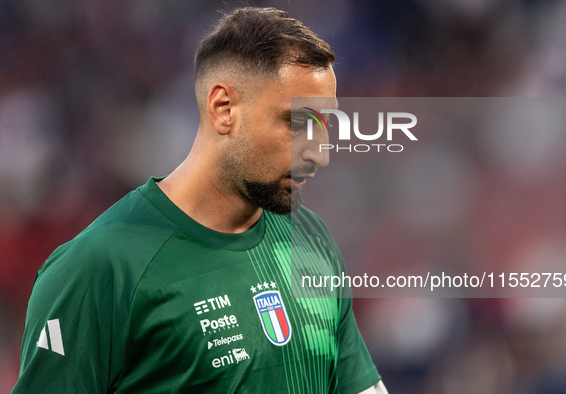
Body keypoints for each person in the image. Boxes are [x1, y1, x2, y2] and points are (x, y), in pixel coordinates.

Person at [12, 7, 387, 394]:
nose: (320, 153)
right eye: (296, 123)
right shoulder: (100, 269)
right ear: (223, 109)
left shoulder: (310, 241)